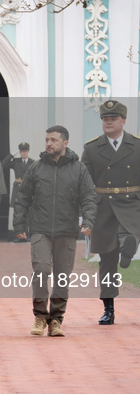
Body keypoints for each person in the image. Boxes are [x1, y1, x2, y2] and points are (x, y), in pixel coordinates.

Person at [14, 126, 96, 337]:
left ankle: (56, 320)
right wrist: (19, 225)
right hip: (40, 228)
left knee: (62, 277)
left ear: (65, 143)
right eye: (47, 140)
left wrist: (88, 221)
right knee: (41, 270)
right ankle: (41, 317)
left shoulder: (79, 169)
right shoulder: (36, 168)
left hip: (67, 229)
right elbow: (23, 197)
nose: (49, 143)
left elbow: (88, 197)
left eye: (53, 140)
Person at [81, 100, 140, 325]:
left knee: (130, 234)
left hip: (131, 202)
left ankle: (128, 249)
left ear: (123, 121)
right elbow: (85, 181)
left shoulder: (137, 145)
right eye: (105, 119)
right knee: (106, 261)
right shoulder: (92, 147)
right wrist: (85, 209)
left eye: (113, 119)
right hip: (103, 206)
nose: (108, 122)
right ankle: (108, 308)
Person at [2, 142, 35, 242]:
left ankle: (26, 235)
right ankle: (18, 235)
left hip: (28, 189)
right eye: (21, 151)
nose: (23, 153)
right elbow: (3, 165)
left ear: (28, 151)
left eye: (25, 151)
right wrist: (11, 155)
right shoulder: (15, 161)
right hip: (17, 188)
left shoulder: (32, 162)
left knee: (27, 213)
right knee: (17, 213)